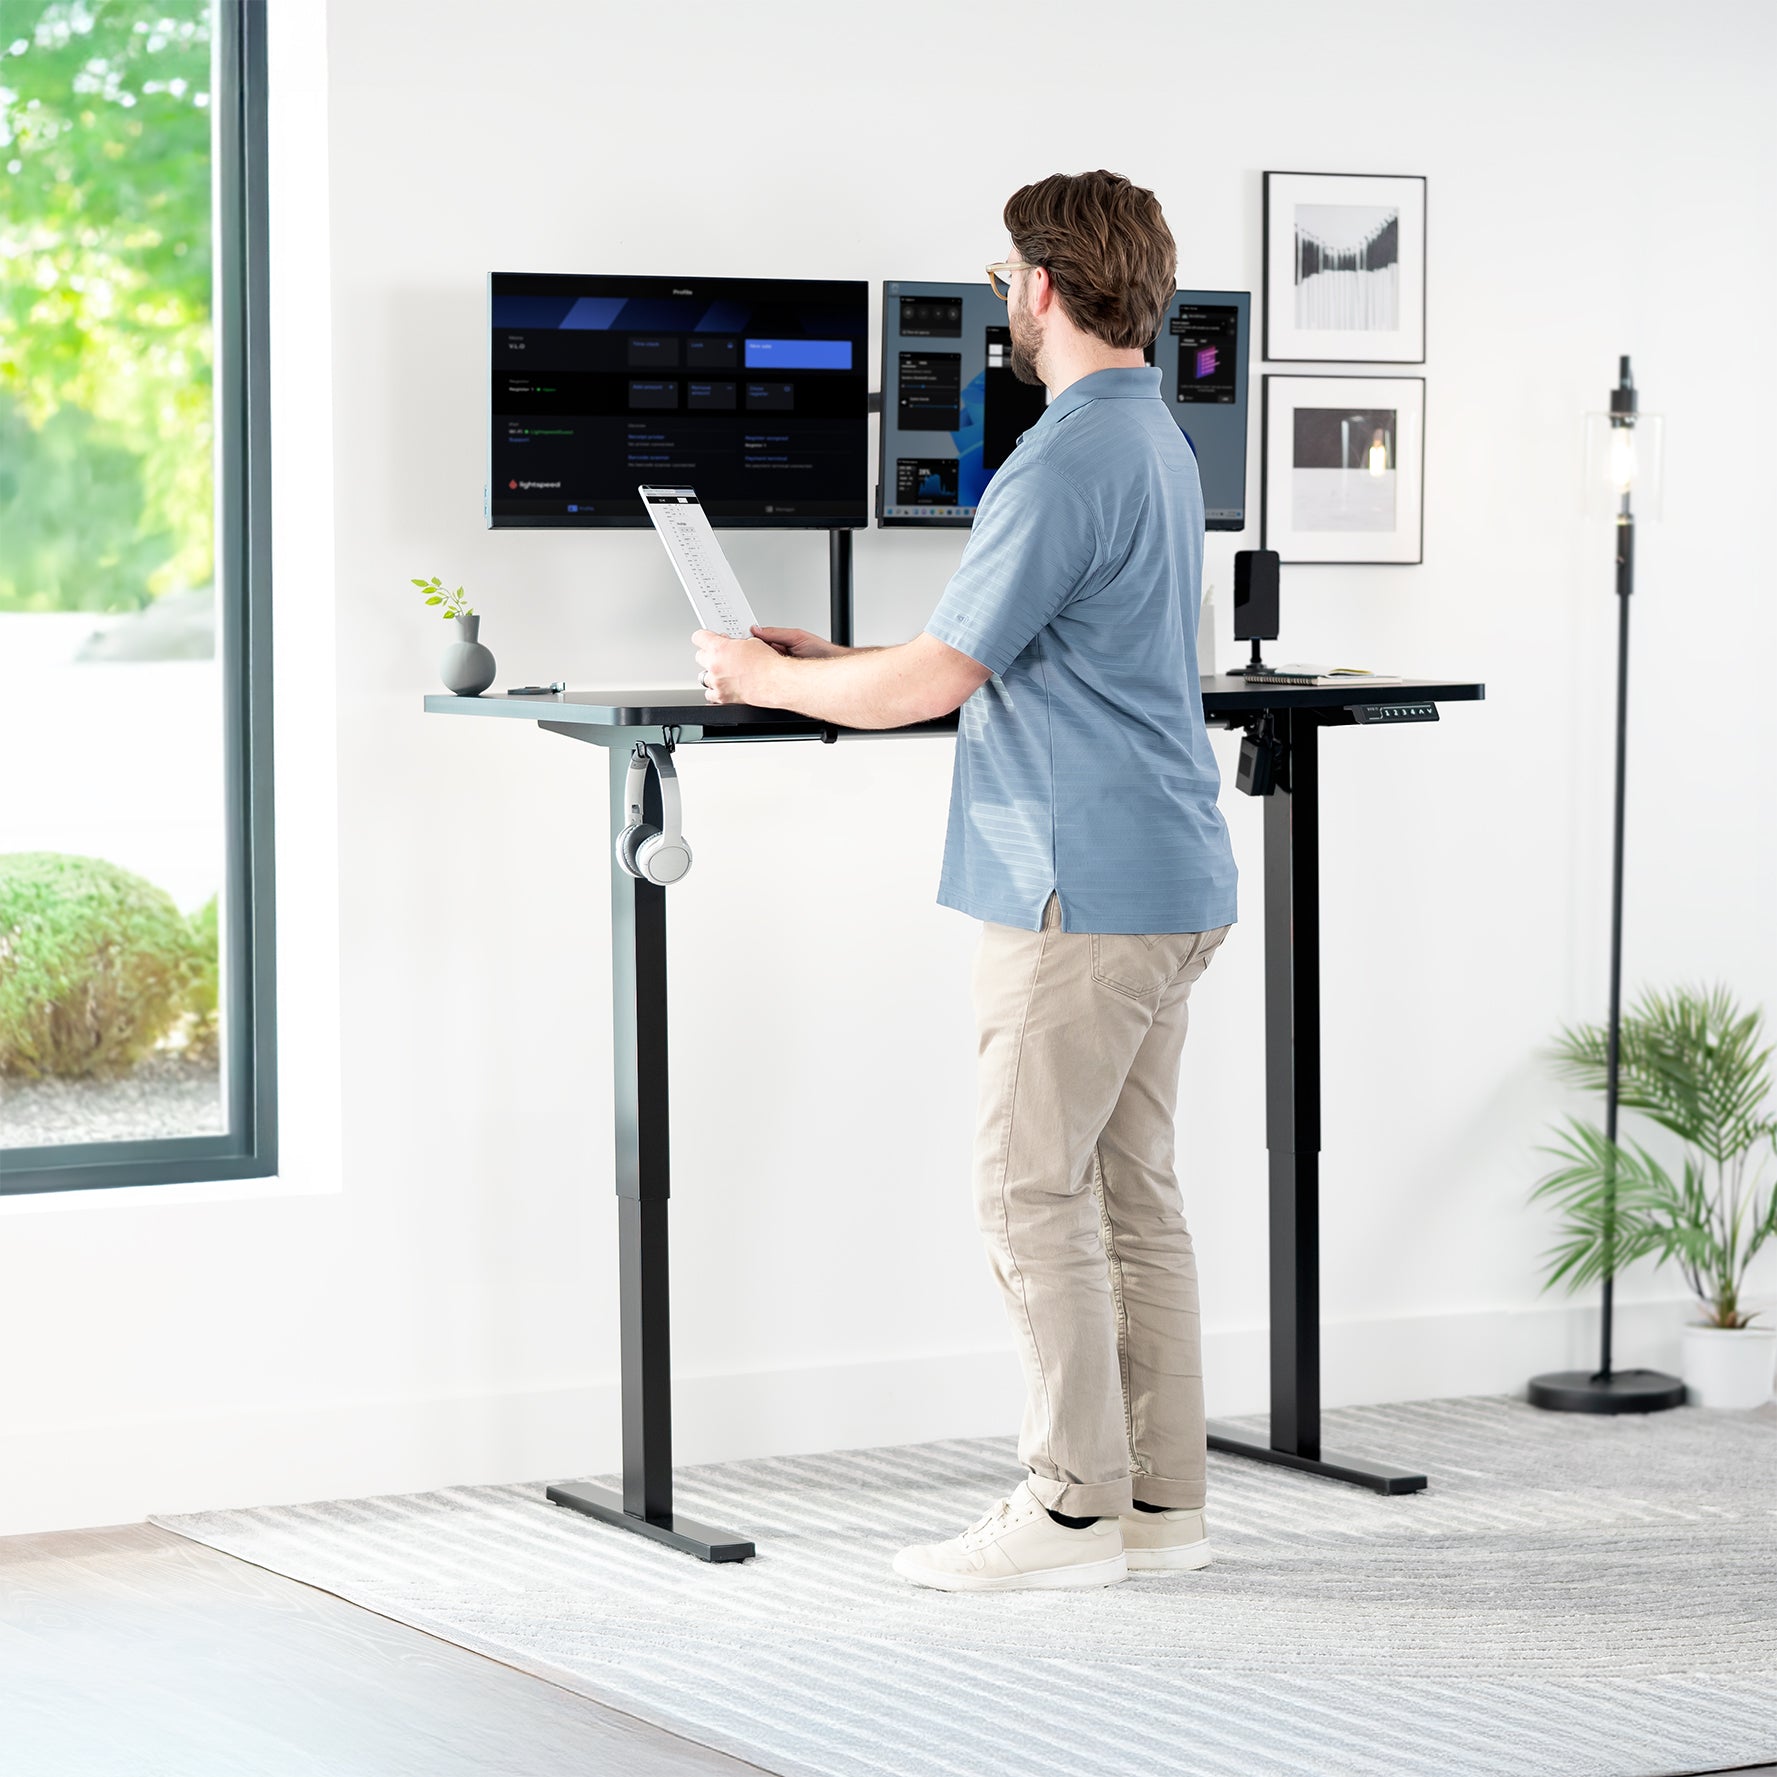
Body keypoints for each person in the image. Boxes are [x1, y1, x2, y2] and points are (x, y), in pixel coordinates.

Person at [693, 169, 1238, 1593]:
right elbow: (1005, 644)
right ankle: (1158, 1507)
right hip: (1167, 870)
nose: (1001, 298)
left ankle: (1065, 1510)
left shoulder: (1060, 456)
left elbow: (943, 677)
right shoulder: (1152, 442)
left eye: (1005, 276)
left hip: (1078, 884)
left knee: (1023, 1190)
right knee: (1130, 1190)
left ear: (1041, 287)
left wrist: (762, 679)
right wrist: (830, 663)